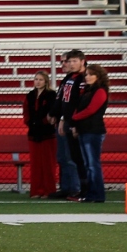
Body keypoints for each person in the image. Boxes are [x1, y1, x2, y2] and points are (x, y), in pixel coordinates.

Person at [49, 50, 87, 200]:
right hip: (64, 120)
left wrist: (66, 118)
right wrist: (55, 113)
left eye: (71, 61)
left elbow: (78, 102)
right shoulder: (69, 77)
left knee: (72, 158)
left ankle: (76, 188)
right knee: (63, 157)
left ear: (82, 61)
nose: (68, 64)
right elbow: (62, 99)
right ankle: (66, 188)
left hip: (73, 122)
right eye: (66, 61)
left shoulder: (83, 78)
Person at [69, 64, 110, 203]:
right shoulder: (87, 90)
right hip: (85, 130)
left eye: (91, 74)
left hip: (93, 131)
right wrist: (75, 123)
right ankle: (91, 194)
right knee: (88, 164)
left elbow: (91, 110)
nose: (87, 77)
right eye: (86, 74)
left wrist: (74, 118)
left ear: (98, 76)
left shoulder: (100, 91)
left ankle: (98, 195)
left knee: (93, 164)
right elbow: (80, 108)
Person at [23, 71, 59, 198]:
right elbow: (26, 112)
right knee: (36, 164)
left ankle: (48, 190)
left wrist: (43, 122)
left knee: (48, 164)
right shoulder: (30, 95)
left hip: (47, 133)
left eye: (41, 79)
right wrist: (30, 122)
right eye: (36, 79)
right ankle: (36, 190)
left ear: (46, 81)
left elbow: (52, 112)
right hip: (33, 133)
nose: (38, 82)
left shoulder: (51, 95)